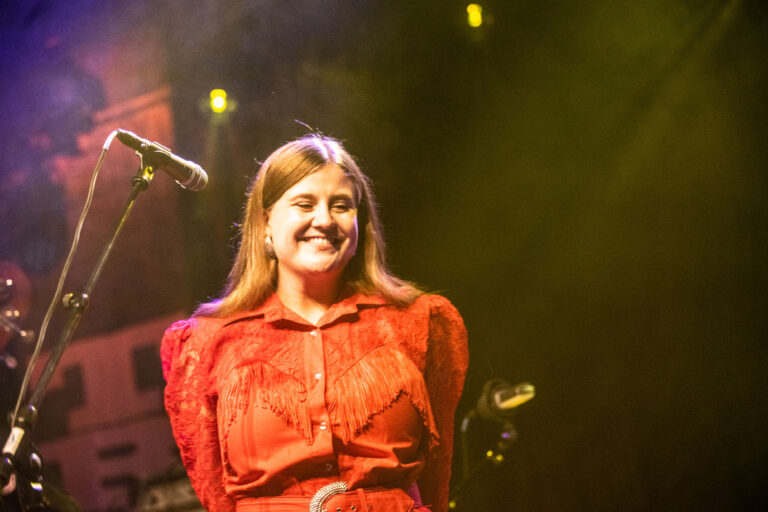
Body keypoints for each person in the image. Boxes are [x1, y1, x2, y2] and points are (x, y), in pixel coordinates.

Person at [161, 134, 468, 512]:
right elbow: (215, 492)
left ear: (361, 224)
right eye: (304, 204)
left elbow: (436, 475)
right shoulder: (207, 342)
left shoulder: (418, 322)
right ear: (266, 222)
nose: (324, 220)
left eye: (341, 205)